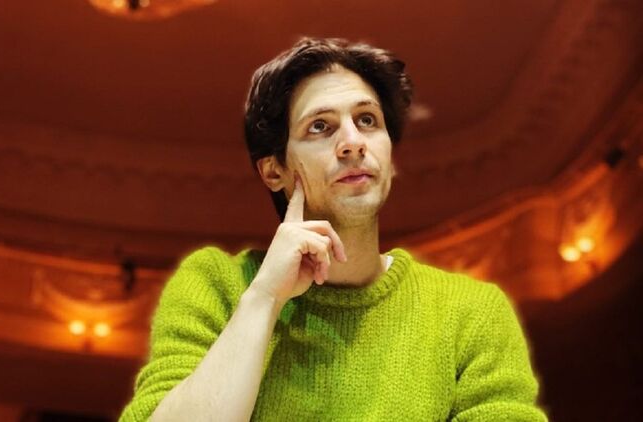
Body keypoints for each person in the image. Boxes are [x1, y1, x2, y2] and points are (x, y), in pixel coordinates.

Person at [119, 37, 547, 421]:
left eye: (368, 120)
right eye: (320, 127)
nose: (353, 142)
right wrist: (264, 298)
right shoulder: (216, 284)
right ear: (274, 171)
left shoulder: (472, 313)